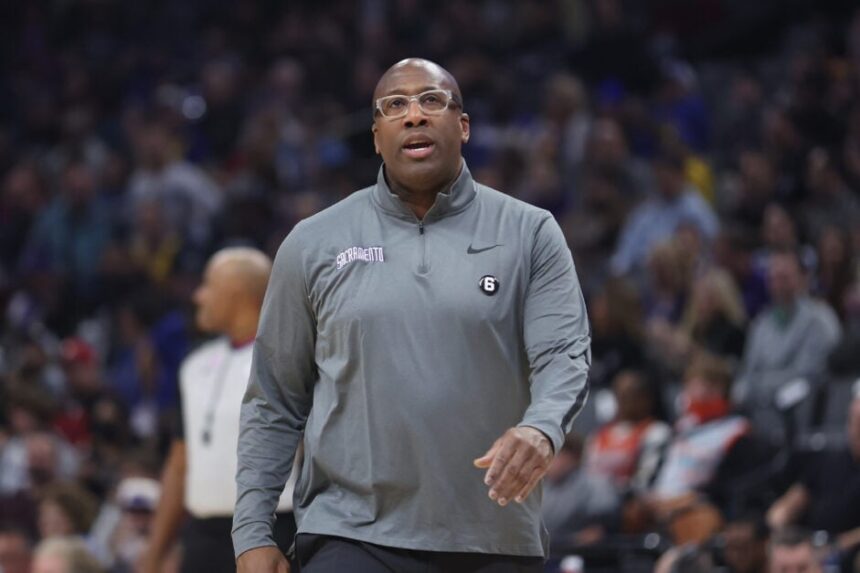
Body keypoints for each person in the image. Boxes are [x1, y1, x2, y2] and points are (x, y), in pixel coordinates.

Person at [232, 58, 591, 573]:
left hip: (492, 537)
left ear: (463, 127)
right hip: (349, 534)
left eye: (432, 101)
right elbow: (273, 399)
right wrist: (251, 531)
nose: (414, 115)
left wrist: (542, 427)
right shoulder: (314, 242)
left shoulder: (529, 232)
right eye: (394, 105)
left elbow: (564, 354)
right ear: (377, 136)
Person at [142, 248, 297, 573]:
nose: (198, 296)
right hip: (202, 536)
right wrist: (155, 555)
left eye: (208, 285)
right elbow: (179, 464)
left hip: (279, 529)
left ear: (238, 294)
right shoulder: (194, 366)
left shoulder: (292, 357)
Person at [733, 249, 841, 409]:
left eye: (784, 278)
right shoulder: (761, 323)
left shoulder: (820, 319)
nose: (777, 285)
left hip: (804, 410)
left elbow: (806, 375)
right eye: (772, 279)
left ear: (803, 278)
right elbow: (748, 373)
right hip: (760, 410)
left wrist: (759, 384)